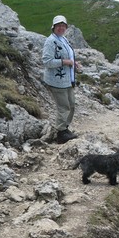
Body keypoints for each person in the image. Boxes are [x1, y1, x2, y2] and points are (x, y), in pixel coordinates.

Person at [42, 15, 78, 144]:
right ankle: (61, 133)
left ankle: (65, 128)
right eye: (59, 26)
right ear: (54, 27)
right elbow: (46, 61)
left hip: (68, 79)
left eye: (63, 26)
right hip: (57, 81)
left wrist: (74, 63)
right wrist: (65, 62)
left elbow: (69, 56)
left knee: (72, 104)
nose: (61, 28)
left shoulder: (63, 39)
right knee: (64, 106)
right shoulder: (50, 41)